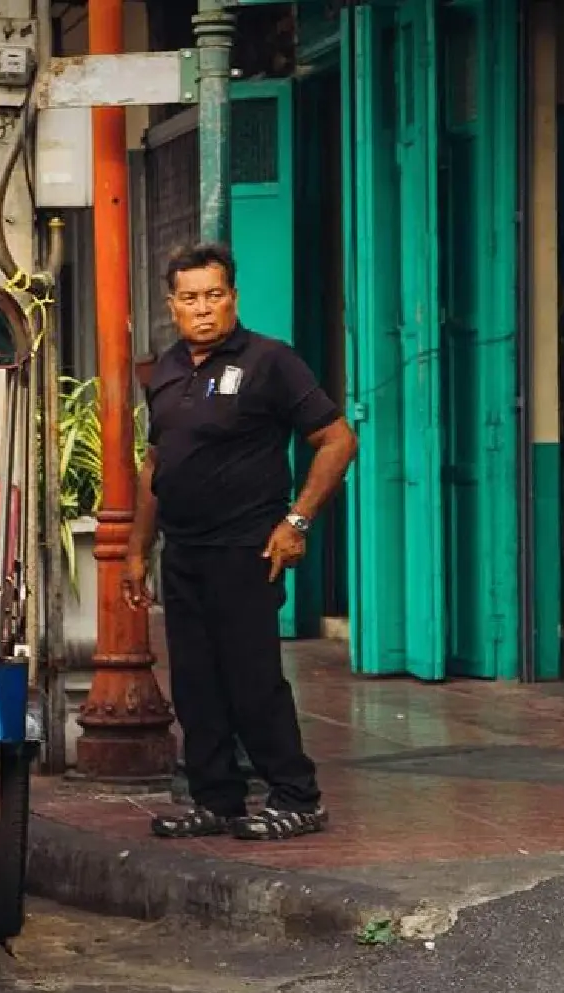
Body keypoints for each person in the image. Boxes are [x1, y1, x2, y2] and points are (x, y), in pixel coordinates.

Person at [130, 242, 359, 843]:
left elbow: (338, 440)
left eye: (214, 295)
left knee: (251, 680)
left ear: (232, 297)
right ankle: (216, 799)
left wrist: (297, 523)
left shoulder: (270, 361)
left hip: (247, 549)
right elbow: (155, 464)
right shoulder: (167, 370)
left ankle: (297, 797)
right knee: (195, 683)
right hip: (184, 550)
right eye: (190, 298)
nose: (203, 308)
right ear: (172, 305)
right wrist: (136, 550)